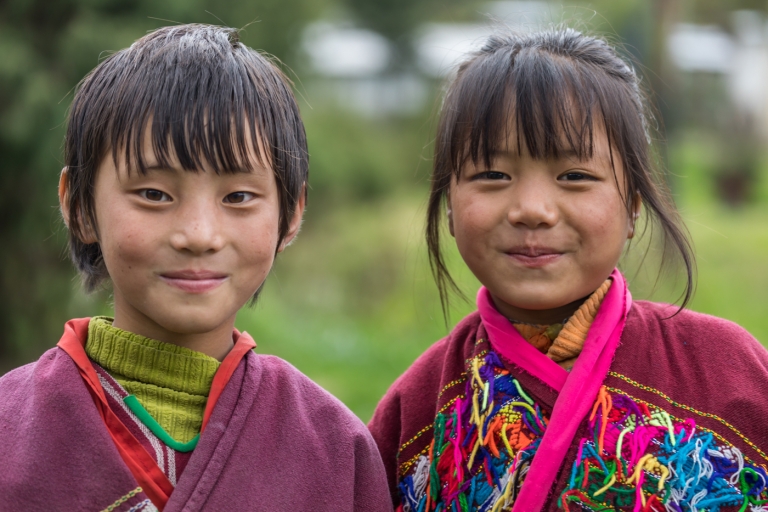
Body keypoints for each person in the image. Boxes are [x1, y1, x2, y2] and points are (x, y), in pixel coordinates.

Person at [368, 27, 768, 511]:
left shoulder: (728, 371)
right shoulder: (417, 409)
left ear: (634, 206)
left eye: (574, 176)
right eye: (492, 175)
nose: (532, 209)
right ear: (449, 205)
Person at [0, 24, 392, 512]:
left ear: (290, 214)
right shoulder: (9, 430)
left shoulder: (334, 447)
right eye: (153, 195)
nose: (199, 235)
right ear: (79, 206)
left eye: (239, 197)